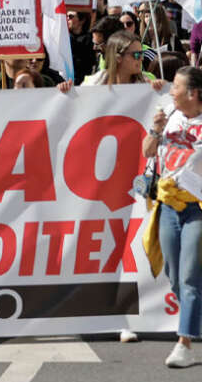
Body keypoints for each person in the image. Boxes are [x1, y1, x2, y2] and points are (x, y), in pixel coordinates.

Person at [142, 66, 202, 367]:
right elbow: (147, 151)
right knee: (175, 276)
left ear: (193, 93)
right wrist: (155, 128)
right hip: (167, 206)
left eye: (176, 87)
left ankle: (185, 343)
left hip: (197, 208)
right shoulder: (168, 113)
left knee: (190, 276)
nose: (171, 92)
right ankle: (193, 323)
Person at [83, 31, 155, 86]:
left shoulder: (149, 82)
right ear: (118, 58)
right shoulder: (92, 83)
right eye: (136, 55)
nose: (142, 58)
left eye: (142, 53)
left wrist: (161, 90)